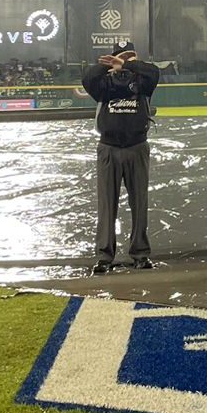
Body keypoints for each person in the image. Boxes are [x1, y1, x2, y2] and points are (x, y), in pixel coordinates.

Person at [80, 41, 160, 273]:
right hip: (109, 148)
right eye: (118, 56)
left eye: (129, 57)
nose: (123, 61)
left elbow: (154, 72)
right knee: (107, 204)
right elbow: (88, 78)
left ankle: (140, 253)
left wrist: (130, 63)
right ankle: (105, 255)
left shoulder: (143, 81)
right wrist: (110, 66)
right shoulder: (104, 85)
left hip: (137, 146)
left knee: (139, 202)